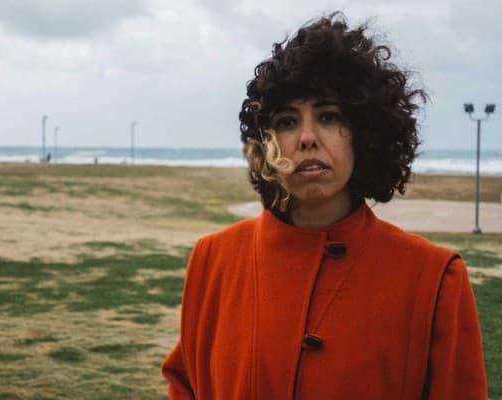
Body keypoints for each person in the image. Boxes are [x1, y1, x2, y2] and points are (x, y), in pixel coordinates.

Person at [161, 13, 487, 399]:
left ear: (366, 132)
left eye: (329, 116)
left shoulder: (434, 279)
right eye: (286, 121)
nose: (307, 138)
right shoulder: (212, 260)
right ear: (267, 143)